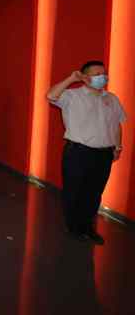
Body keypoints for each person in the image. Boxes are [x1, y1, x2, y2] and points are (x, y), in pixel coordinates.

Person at [47, 61, 126, 245]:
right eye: (97, 74)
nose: (102, 77)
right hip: (78, 152)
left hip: (104, 154)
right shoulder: (72, 95)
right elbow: (51, 95)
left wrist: (118, 147)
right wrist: (71, 79)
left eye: (104, 73)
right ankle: (73, 226)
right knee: (74, 191)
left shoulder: (112, 99)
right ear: (85, 77)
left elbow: (117, 124)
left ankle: (88, 226)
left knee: (94, 192)